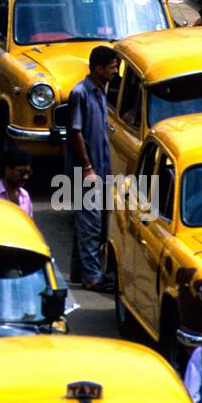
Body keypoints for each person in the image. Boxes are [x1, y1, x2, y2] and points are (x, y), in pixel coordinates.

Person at [66, 45, 119, 292]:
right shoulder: (81, 93)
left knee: (88, 224)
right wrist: (87, 167)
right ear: (98, 69)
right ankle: (92, 278)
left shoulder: (100, 92)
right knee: (91, 226)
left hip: (100, 169)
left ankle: (79, 272)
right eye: (111, 67)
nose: (116, 71)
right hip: (86, 171)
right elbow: (76, 132)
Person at [0, 146, 34, 220]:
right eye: (21, 172)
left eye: (28, 172)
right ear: (7, 170)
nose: (25, 177)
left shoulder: (25, 196)